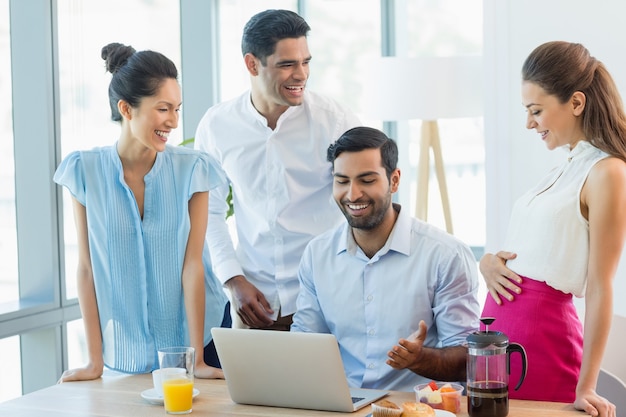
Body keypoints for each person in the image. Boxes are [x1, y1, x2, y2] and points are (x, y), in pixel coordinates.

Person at [54, 43, 231, 382]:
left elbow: (193, 265)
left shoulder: (193, 170)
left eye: (177, 109)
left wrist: (196, 360)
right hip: (128, 350)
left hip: (202, 342)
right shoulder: (84, 171)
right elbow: (87, 269)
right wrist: (94, 361)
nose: (174, 122)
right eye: (164, 109)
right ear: (127, 108)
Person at [480, 41, 626, 416]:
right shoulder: (564, 168)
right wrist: (489, 263)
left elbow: (600, 286)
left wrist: (587, 385)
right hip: (500, 344)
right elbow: (537, 251)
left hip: (540, 345)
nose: (529, 123)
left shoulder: (607, 172)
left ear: (576, 103)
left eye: (536, 111)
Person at [194, 9, 360, 330]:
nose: (301, 74)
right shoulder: (217, 126)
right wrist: (233, 278)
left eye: (306, 62)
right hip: (251, 301)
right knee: (249, 383)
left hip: (324, 297)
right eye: (287, 65)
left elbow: (365, 202)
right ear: (252, 64)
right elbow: (208, 212)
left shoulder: (335, 120)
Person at [291, 126, 480, 392]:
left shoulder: (445, 255)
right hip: (343, 405)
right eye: (342, 181)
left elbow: (467, 360)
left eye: (367, 181)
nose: (353, 195)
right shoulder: (317, 255)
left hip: (416, 407)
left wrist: (419, 359)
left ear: (394, 180)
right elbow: (306, 343)